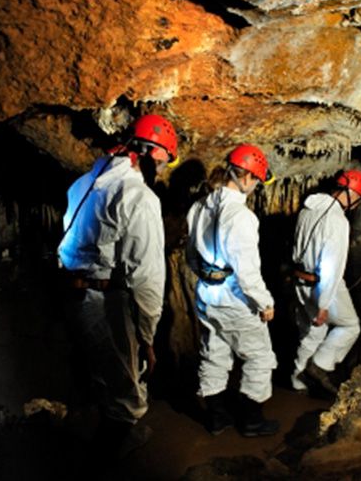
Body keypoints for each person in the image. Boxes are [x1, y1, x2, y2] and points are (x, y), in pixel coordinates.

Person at [57, 114, 178, 457]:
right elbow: (147, 276)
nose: (163, 172)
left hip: (73, 294)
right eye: (164, 162)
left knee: (100, 373)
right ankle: (101, 462)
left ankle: (107, 434)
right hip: (103, 300)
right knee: (129, 397)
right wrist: (148, 337)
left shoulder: (83, 183)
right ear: (152, 156)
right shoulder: (139, 197)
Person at [186, 144, 279, 437]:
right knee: (260, 357)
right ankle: (251, 420)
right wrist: (265, 302)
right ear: (247, 178)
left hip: (206, 293)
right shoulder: (241, 217)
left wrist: (205, 279)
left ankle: (216, 417)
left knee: (214, 351)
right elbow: (247, 271)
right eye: (257, 181)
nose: (255, 187)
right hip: (234, 299)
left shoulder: (199, 207)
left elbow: (191, 254)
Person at [290, 170, 361, 396]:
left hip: (299, 280)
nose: (357, 204)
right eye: (359, 199)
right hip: (321, 285)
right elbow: (332, 265)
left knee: (312, 333)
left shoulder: (308, 209)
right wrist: (324, 303)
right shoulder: (338, 220)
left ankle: (299, 381)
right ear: (351, 193)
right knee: (350, 326)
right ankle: (320, 366)